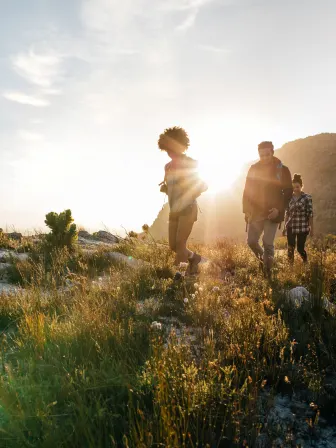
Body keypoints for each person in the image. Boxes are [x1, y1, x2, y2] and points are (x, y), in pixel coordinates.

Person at [158, 126, 208, 275]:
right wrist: (166, 189)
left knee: (180, 245)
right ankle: (195, 258)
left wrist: (188, 189)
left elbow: (203, 185)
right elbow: (172, 187)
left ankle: (178, 278)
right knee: (173, 246)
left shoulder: (190, 163)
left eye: (172, 148)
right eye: (167, 149)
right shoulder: (167, 167)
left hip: (188, 208)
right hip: (174, 210)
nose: (169, 152)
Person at [243, 141, 293, 277]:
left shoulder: (282, 169)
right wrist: (246, 210)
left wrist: (279, 209)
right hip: (256, 211)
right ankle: (264, 260)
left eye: (267, 154)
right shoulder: (253, 169)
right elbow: (247, 190)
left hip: (273, 212)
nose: (264, 158)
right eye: (261, 155)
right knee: (252, 241)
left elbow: (288, 192)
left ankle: (267, 272)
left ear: (272, 152)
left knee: (267, 243)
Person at [283, 173, 313, 263]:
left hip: (302, 226)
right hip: (291, 226)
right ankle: (290, 268)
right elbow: (287, 213)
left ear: (301, 186)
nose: (295, 189)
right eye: (294, 187)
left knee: (300, 248)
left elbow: (310, 214)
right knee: (290, 248)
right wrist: (285, 227)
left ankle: (305, 262)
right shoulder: (289, 198)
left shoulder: (307, 198)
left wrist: (311, 229)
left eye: (297, 187)